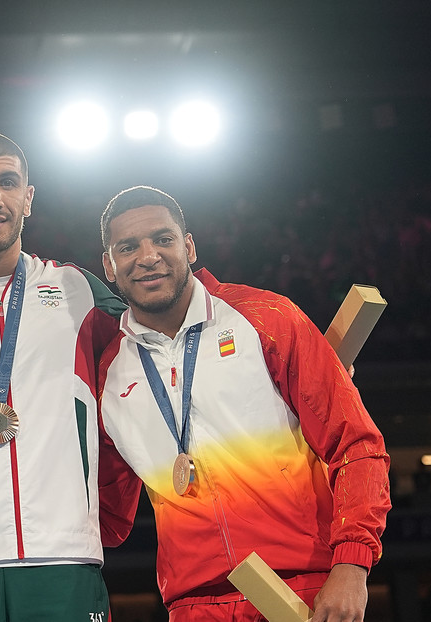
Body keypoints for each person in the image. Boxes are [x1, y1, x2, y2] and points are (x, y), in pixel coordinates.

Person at [96, 185, 391, 621]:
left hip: (304, 589)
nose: (148, 256)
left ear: (189, 246)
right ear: (109, 265)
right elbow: (109, 520)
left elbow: (357, 444)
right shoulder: (109, 371)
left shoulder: (266, 318)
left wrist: (352, 564)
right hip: (193, 606)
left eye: (163, 239)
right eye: (128, 247)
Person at [0, 130, 125, 621]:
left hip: (63, 554)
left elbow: (161, 347)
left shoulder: (78, 290)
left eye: (8, 182)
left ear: (28, 198)